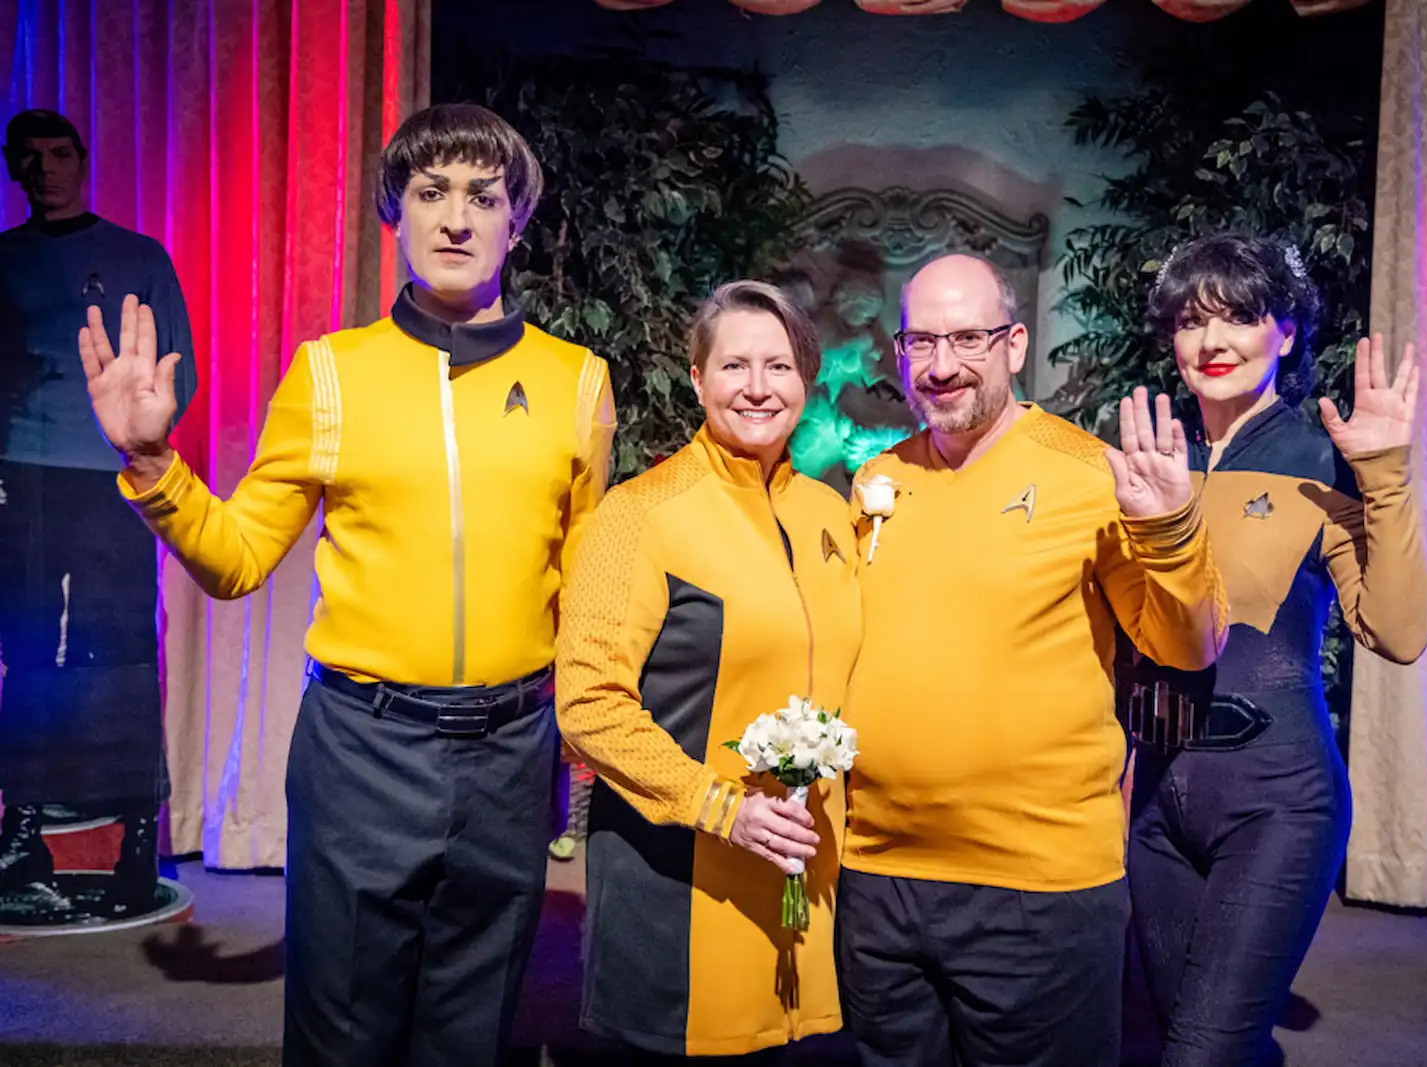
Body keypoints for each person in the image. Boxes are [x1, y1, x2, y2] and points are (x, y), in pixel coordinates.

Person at [76, 102, 614, 1066]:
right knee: (343, 1041)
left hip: (510, 754)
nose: (456, 217)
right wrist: (154, 461)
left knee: (474, 1037)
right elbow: (236, 558)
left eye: (483, 197)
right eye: (430, 192)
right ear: (393, 216)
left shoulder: (578, 381)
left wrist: (578, 746)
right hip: (364, 751)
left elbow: (583, 585)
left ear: (516, 220)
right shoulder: (330, 373)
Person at [837, 252, 1229, 1067]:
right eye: (920, 342)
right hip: (878, 877)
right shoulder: (877, 478)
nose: (941, 366)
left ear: (1015, 345)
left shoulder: (1090, 474)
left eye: (967, 338)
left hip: (1037, 888)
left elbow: (1187, 644)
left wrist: (1170, 530)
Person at [1127, 232, 1427, 1066]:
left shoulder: (1319, 456)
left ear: (1287, 334)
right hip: (1154, 803)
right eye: (1191, 321)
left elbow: (1399, 634)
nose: (1211, 341)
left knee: (1203, 1050)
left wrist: (1388, 474)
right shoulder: (1155, 454)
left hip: (1277, 801)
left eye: (1238, 318)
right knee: (1163, 1041)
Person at [556, 280, 859, 1061]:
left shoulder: (832, 515)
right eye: (734, 366)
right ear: (697, 379)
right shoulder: (638, 513)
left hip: (807, 886)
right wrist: (721, 807)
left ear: (806, 380)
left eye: (780, 366)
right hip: (681, 888)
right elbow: (587, 703)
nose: (758, 387)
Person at [0, 108, 196, 920]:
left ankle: (138, 832)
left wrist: (146, 454)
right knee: (29, 655)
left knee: (118, 652)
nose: (44, 168)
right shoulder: (4, 260)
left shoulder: (137, 256)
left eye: (58, 154)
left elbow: (176, 374)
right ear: (13, 169)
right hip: (22, 476)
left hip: (112, 479)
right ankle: (25, 828)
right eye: (28, 157)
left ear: (83, 159)